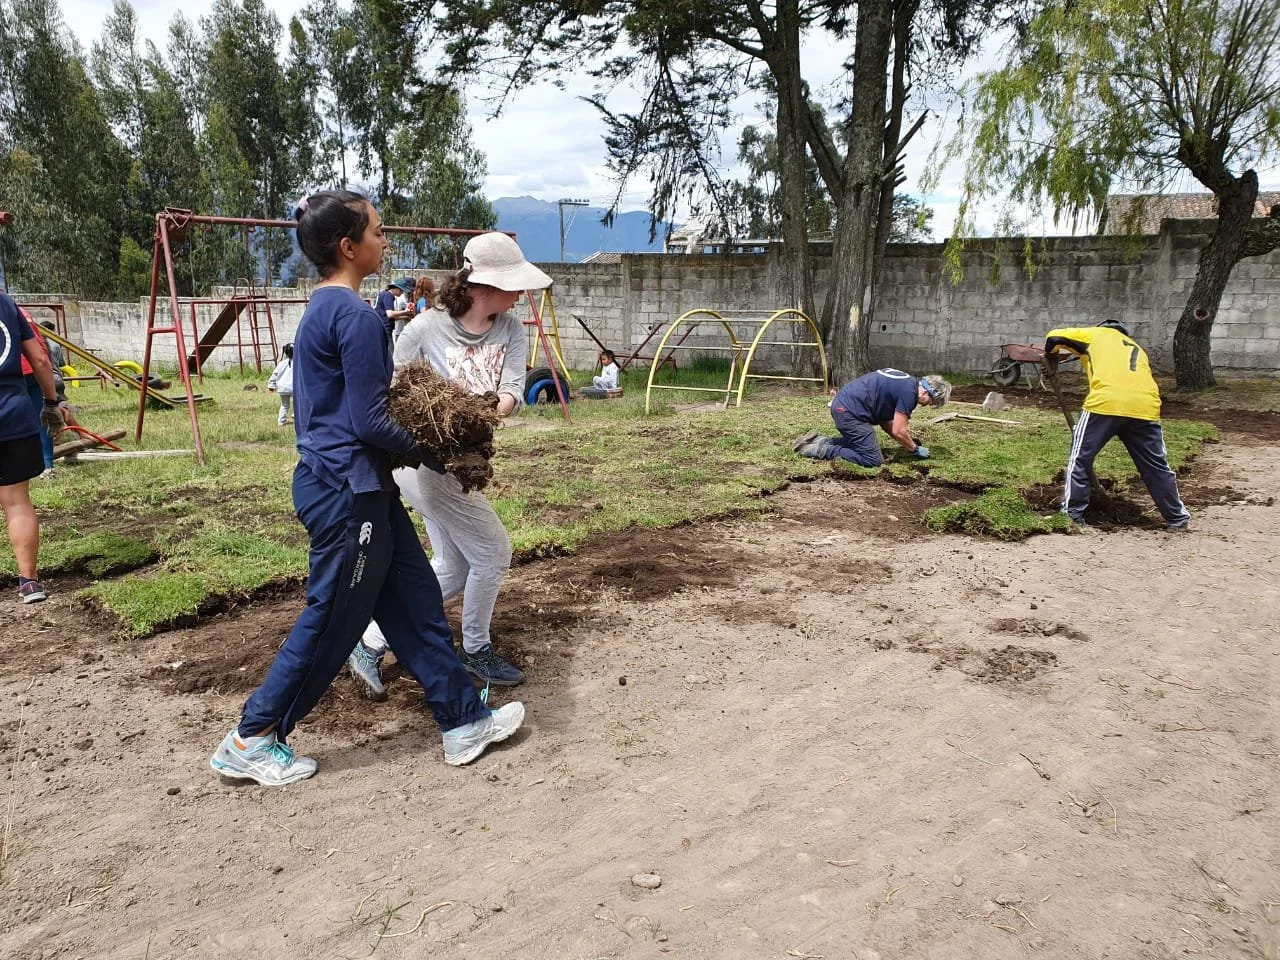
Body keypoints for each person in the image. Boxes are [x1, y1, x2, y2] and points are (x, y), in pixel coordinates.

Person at [209, 191, 524, 788]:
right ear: (348, 247)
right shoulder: (355, 317)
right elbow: (370, 421)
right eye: (377, 233)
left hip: (363, 487)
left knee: (415, 606)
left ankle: (464, 720)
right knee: (331, 617)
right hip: (347, 493)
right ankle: (253, 736)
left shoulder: (324, 308)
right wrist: (443, 452)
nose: (385, 241)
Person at [349, 232, 551, 699]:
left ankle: (371, 641)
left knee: (455, 565)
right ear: (481, 284)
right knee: (494, 553)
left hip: (463, 462)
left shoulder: (509, 329)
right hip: (424, 463)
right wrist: (436, 420)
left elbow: (513, 390)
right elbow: (394, 388)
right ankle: (475, 648)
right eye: (511, 284)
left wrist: (486, 408)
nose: (519, 294)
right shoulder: (426, 329)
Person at [1044, 319, 1190, 530]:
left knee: (1080, 457)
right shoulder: (1136, 348)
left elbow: (1054, 336)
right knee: (1156, 465)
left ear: (1102, 328)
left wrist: (1051, 357)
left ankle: (1072, 514)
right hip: (1145, 407)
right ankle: (1177, 517)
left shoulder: (1094, 335)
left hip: (1106, 404)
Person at [1, 293, 64, 603]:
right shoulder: (8, 305)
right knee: (16, 502)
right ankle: (29, 583)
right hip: (12, 416)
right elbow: (39, 358)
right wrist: (52, 402)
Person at [792, 368, 951, 466]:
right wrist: (915, 449)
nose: (928, 405)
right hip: (849, 413)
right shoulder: (909, 394)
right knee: (872, 459)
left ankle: (822, 440)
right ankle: (820, 449)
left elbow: (886, 421)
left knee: (864, 443)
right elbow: (899, 430)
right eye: (931, 402)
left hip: (845, 407)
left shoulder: (906, 383)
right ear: (926, 392)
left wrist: (905, 443)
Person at [20, 314, 57, 478]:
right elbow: (41, 354)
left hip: (12, 372)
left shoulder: (8, 309)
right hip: (36, 370)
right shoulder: (20, 311)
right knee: (41, 415)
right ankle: (47, 466)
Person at [266, 342, 295, 425]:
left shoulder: (281, 363)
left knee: (284, 405)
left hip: (282, 388)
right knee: (297, 403)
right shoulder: (298, 363)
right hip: (293, 387)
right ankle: (295, 415)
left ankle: (281, 421)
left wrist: (271, 386)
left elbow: (274, 374)